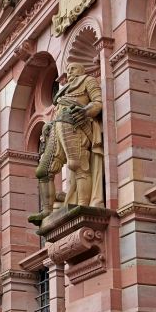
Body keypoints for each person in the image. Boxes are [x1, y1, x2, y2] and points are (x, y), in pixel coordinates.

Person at [29, 61, 104, 224]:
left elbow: (98, 103)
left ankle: (83, 206)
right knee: (44, 170)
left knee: (77, 165)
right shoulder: (62, 92)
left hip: (75, 125)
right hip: (57, 127)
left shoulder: (88, 80)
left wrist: (85, 111)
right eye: (68, 69)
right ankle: (47, 210)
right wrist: (49, 125)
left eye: (73, 68)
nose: (69, 72)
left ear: (82, 69)